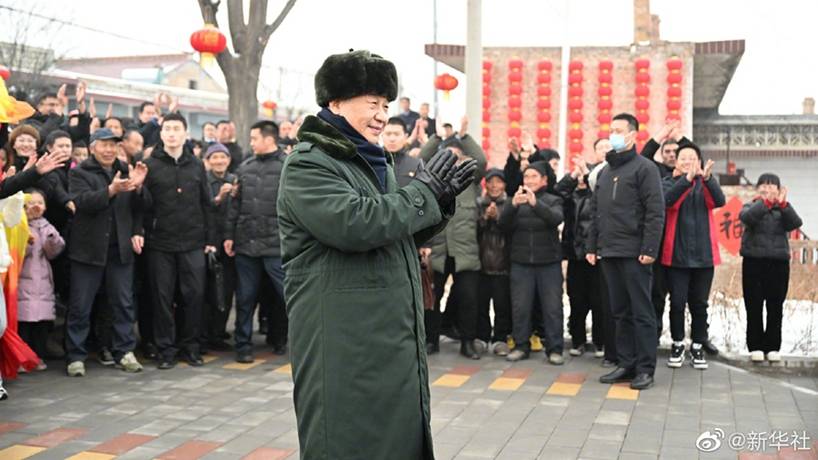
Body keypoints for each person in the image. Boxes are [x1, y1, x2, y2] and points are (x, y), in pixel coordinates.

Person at [277, 50, 477, 459]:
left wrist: (438, 200)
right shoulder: (309, 162)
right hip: (344, 337)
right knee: (347, 439)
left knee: (394, 440)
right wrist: (422, 194)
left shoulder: (373, 161)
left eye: (386, 105)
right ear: (335, 102)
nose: (382, 115)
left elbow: (393, 229)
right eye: (372, 103)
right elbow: (355, 224)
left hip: (387, 332)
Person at [588, 113, 664, 390]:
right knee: (619, 311)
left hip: (635, 252)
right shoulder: (606, 172)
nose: (613, 135)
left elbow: (655, 212)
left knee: (641, 311)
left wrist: (649, 248)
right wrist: (592, 247)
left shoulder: (645, 169)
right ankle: (626, 362)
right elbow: (596, 212)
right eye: (611, 130)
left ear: (632, 135)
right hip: (610, 251)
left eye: (618, 130)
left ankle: (645, 368)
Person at [64, 128, 148, 377]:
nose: (110, 150)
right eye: (104, 145)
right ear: (92, 147)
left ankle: (124, 351)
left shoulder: (126, 169)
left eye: (113, 145)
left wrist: (140, 188)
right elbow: (82, 203)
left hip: (119, 249)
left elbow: (140, 208)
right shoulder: (79, 172)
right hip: (88, 250)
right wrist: (110, 190)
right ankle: (75, 356)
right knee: (81, 305)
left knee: (123, 303)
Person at [142, 113, 216, 370]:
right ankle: (165, 350)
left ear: (185, 134)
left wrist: (210, 238)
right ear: (161, 134)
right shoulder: (149, 165)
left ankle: (191, 347)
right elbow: (142, 207)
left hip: (193, 241)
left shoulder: (196, 165)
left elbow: (206, 203)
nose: (172, 133)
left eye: (176, 129)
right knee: (162, 299)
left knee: (194, 296)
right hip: (160, 242)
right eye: (167, 129)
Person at [420, 128, 487, 359]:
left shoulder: (470, 179)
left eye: (456, 155)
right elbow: (423, 157)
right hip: (437, 250)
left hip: (465, 251)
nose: (452, 159)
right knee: (432, 298)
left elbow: (481, 159)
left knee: (469, 298)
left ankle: (468, 342)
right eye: (447, 155)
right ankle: (431, 340)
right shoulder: (433, 180)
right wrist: (437, 137)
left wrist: (465, 137)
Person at [224, 121, 287, 362]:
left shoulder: (286, 167)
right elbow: (235, 206)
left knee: (284, 297)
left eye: (254, 138)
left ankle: (282, 339)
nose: (251, 143)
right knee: (245, 298)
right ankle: (243, 346)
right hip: (246, 244)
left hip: (277, 245)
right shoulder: (244, 168)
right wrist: (229, 235)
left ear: (269, 139)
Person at [660, 141, 724, 370]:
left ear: (699, 162)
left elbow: (719, 201)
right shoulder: (668, 182)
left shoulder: (704, 183)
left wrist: (706, 179)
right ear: (676, 162)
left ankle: (697, 346)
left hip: (703, 256)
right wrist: (686, 180)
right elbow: (667, 202)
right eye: (683, 158)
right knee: (676, 303)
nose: (687, 161)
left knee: (699, 304)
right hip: (676, 254)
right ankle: (677, 344)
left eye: (692, 158)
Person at [500, 161, 565, 364]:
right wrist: (512, 206)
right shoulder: (515, 201)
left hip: (549, 262)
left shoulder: (553, 200)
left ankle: (555, 349)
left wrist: (536, 204)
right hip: (521, 262)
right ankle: (521, 346)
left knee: (552, 307)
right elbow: (502, 224)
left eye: (534, 176)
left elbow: (556, 219)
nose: (529, 180)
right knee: (521, 307)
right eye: (526, 177)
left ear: (544, 180)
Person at [740, 174, 802, 363]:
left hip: (778, 263)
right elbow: (747, 219)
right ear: (757, 189)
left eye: (772, 186)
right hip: (753, 261)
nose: (767, 189)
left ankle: (773, 346)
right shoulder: (751, 206)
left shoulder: (782, 209)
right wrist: (765, 203)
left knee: (775, 306)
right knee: (754, 305)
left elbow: (795, 223)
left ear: (779, 189)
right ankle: (756, 346)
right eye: (763, 186)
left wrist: (783, 205)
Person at [558, 158, 604, 358]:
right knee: (576, 300)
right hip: (575, 255)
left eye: (585, 175)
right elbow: (558, 190)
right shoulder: (571, 197)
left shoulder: (598, 196)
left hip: (596, 255)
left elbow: (599, 193)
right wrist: (573, 175)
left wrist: (588, 173)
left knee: (599, 301)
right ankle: (578, 340)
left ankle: (600, 341)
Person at [17, 188, 65, 369]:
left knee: (41, 325)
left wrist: (51, 239)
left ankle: (37, 357)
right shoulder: (19, 225)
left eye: (40, 203)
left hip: (43, 281)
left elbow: (54, 252)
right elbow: (19, 253)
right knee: (24, 324)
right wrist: (27, 241)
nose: (36, 206)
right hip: (23, 279)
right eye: (31, 202)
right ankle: (22, 359)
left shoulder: (47, 226)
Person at [202, 143, 236, 352]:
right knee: (207, 292)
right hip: (209, 243)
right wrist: (219, 198)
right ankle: (205, 335)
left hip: (231, 243)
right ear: (207, 161)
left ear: (229, 160)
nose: (219, 161)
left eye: (222, 157)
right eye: (214, 157)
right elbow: (202, 210)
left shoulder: (235, 180)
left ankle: (218, 332)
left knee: (226, 291)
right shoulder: (203, 181)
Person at [476, 168, 512, 356]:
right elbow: (473, 232)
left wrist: (497, 217)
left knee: (502, 306)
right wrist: (484, 218)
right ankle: (481, 337)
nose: (494, 186)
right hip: (481, 264)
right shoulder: (479, 204)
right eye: (491, 182)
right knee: (481, 305)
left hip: (503, 265)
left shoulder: (510, 204)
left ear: (504, 185)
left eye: (498, 182)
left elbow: (511, 230)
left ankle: (500, 338)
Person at [383, 117, 422, 187]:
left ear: (405, 137)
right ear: (382, 135)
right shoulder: (373, 163)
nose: (392, 139)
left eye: (397, 134)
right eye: (388, 134)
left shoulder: (416, 164)